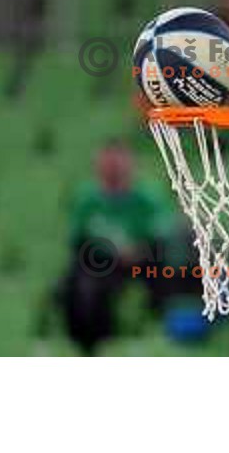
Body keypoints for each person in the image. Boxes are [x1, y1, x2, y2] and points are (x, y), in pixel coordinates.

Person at [58, 139, 172, 354]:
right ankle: (91, 345)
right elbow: (78, 241)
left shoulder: (148, 197)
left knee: (168, 276)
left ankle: (163, 335)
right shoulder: (87, 199)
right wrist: (110, 252)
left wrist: (137, 251)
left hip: (144, 261)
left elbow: (162, 234)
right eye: (108, 165)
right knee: (79, 287)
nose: (113, 170)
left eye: (118, 165)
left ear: (130, 166)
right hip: (102, 264)